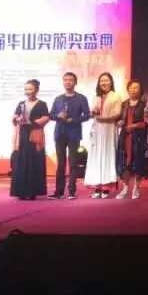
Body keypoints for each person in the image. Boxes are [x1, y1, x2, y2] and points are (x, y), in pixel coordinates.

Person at [48, 72, 90, 200]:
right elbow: (51, 115)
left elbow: (87, 115)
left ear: (75, 82)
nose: (68, 82)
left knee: (73, 163)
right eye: (65, 80)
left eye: (70, 80)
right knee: (60, 164)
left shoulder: (81, 98)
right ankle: (59, 192)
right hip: (59, 133)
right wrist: (58, 116)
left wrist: (74, 119)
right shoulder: (58, 99)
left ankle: (72, 191)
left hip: (74, 134)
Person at [10, 79, 49, 200]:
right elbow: (15, 117)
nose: (28, 91)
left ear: (36, 90)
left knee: (34, 161)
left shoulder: (42, 104)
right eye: (26, 89)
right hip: (22, 135)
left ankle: (32, 191)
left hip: (34, 135)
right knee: (21, 162)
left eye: (30, 89)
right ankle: (20, 191)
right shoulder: (21, 103)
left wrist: (33, 122)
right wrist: (17, 119)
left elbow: (46, 117)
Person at [84, 72, 122, 198]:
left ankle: (106, 187)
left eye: (106, 80)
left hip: (109, 129)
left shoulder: (116, 96)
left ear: (111, 82)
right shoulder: (96, 97)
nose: (104, 83)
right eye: (101, 81)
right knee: (95, 157)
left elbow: (118, 114)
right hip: (96, 130)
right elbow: (92, 114)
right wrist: (92, 113)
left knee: (108, 156)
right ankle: (97, 187)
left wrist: (103, 119)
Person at [116, 80, 148, 200]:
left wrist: (134, 126)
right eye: (131, 88)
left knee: (138, 162)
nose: (133, 90)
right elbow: (119, 119)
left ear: (140, 90)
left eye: (136, 88)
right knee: (124, 163)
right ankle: (125, 189)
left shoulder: (144, 104)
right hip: (125, 137)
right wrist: (119, 122)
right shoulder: (124, 104)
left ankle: (136, 188)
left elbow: (147, 122)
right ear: (128, 89)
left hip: (138, 137)